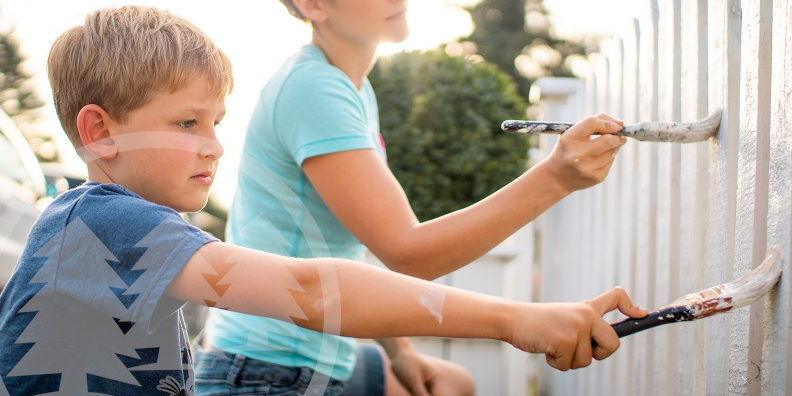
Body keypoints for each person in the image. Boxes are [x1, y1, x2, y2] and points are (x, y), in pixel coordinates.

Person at [0, 5, 645, 395]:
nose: (216, 148)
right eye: (188, 124)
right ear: (98, 131)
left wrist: (401, 350)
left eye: (217, 124)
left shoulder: (125, 227)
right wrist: (513, 319)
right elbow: (311, 291)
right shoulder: (105, 222)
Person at [197, 0, 632, 395]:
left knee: (453, 383)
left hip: (296, 355)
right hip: (264, 372)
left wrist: (401, 353)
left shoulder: (347, 86)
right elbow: (408, 255)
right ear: (313, 5)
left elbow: (349, 252)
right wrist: (556, 176)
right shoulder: (314, 89)